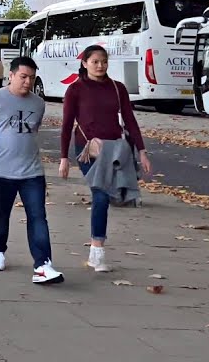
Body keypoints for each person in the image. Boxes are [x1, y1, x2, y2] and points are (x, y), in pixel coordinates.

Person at [59, 44, 153, 273]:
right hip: (88, 150)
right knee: (100, 196)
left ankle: (96, 252)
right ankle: (97, 253)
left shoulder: (117, 88)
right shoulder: (75, 89)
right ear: (85, 63)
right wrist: (64, 158)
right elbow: (67, 124)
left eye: (104, 61)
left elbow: (130, 120)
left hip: (116, 151)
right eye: (95, 62)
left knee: (112, 197)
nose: (100, 66)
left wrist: (142, 151)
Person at [0, 56, 62, 284]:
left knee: (38, 217)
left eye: (32, 78)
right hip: (2, 172)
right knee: (0, 216)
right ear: (11, 75)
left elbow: (34, 131)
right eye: (23, 76)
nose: (28, 82)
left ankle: (43, 265)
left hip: (33, 172)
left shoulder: (38, 103)